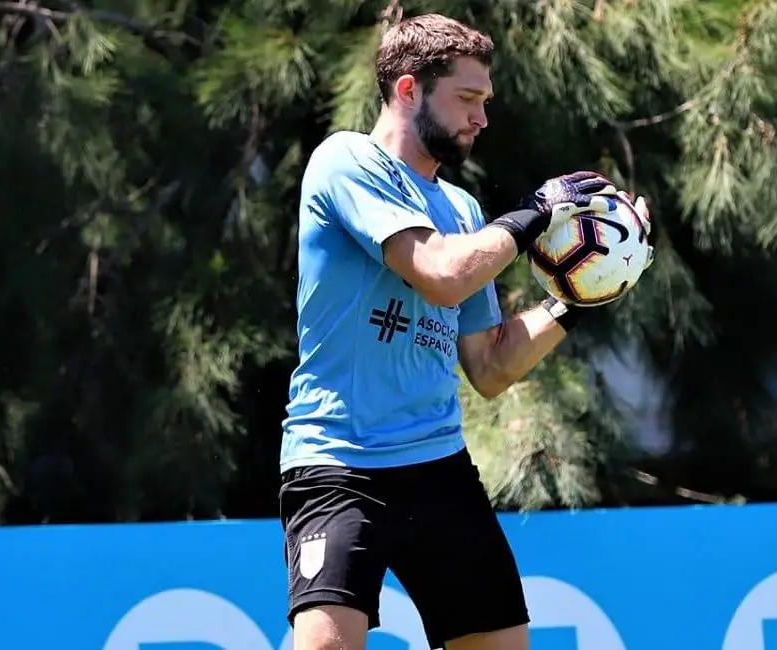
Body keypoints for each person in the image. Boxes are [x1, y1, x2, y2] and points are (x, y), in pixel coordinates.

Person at [279, 13, 651, 650]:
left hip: (438, 468)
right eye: (468, 99)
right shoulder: (345, 160)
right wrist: (538, 212)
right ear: (407, 90)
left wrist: (586, 291)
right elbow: (439, 275)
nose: (481, 118)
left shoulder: (462, 210)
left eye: (485, 102)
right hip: (339, 463)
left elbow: (490, 366)